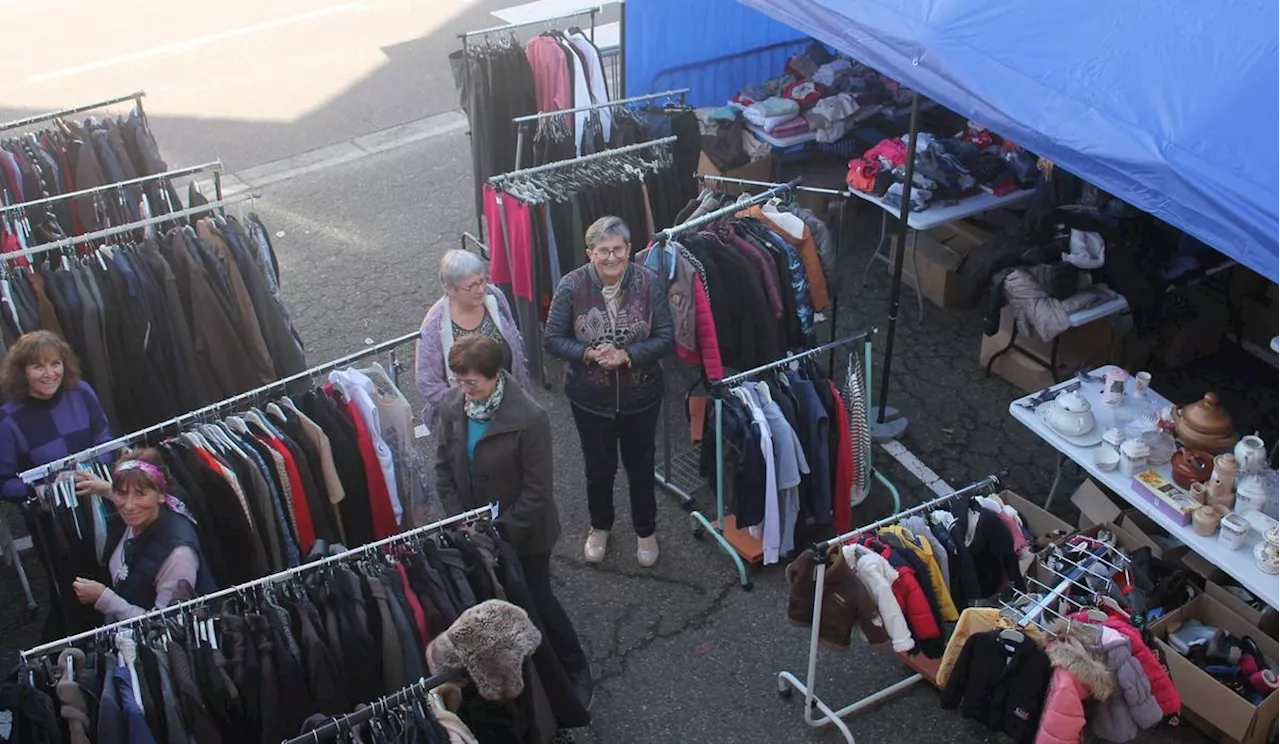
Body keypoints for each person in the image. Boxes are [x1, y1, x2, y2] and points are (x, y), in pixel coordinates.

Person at [433, 335, 592, 708]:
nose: (464, 390)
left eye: (472, 382)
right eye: (459, 381)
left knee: (538, 598)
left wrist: (497, 534)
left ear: (496, 375)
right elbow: (443, 468)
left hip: (525, 534)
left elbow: (537, 492)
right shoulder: (452, 405)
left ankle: (575, 668)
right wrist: (462, 522)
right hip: (472, 532)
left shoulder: (530, 418)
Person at [544, 216, 674, 567]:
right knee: (598, 468)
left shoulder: (649, 282)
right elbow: (553, 338)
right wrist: (587, 354)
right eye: (604, 251)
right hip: (590, 399)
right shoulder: (571, 286)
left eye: (618, 249)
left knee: (641, 465)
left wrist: (628, 356)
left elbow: (665, 337)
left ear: (629, 250)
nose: (612, 257)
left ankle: (645, 531)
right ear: (590, 254)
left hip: (641, 396)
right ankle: (600, 526)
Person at [71, 450, 217, 622]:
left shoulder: (178, 556)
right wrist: (104, 488)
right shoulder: (139, 515)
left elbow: (167, 625)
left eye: (140, 494)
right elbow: (128, 494)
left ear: (162, 495)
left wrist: (104, 599)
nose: (129, 505)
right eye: (122, 493)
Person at [416, 248, 531, 437]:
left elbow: (515, 339)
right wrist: (468, 404)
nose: (480, 289)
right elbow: (428, 382)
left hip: (511, 406)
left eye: (482, 281)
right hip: (466, 423)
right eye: (471, 286)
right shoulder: (434, 325)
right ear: (449, 289)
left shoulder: (494, 296)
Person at [0, 331, 112, 502]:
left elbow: (106, 444)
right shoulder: (8, 419)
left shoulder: (81, 392)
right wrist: (40, 489)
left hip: (102, 497)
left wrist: (81, 472)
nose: (50, 373)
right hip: (55, 517)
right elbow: (5, 482)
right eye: (38, 366)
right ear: (22, 372)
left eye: (55, 364)